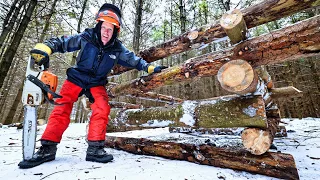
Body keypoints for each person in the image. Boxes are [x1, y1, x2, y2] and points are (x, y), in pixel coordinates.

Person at [18, 3, 166, 169]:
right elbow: (62, 42)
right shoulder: (86, 37)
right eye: (104, 27)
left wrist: (150, 68)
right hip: (77, 77)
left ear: (115, 31)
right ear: (99, 25)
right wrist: (45, 47)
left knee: (102, 108)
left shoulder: (117, 48)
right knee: (61, 107)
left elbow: (134, 60)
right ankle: (47, 148)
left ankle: (95, 149)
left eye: (111, 30)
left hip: (97, 82)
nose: (106, 32)